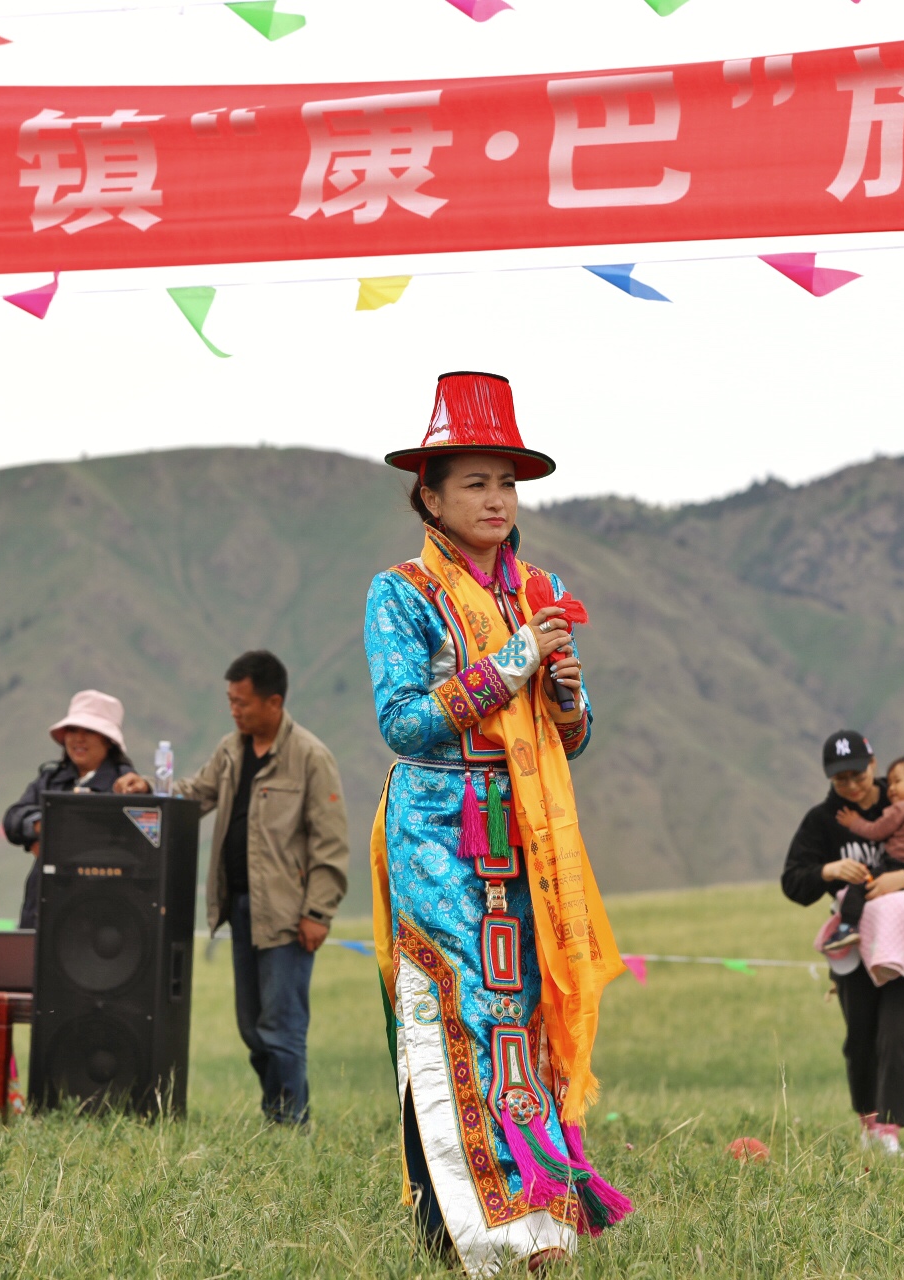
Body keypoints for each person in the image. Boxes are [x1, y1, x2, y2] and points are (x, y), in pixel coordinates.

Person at [363, 372, 632, 1274]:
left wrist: (565, 696)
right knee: (457, 1009)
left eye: (506, 482)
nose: (496, 499)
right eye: (473, 481)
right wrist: (518, 660)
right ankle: (472, 1231)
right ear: (429, 497)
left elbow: (574, 736)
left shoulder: (536, 589)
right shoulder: (399, 594)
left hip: (527, 832)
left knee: (523, 1010)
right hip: (440, 824)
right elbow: (402, 720)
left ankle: (539, 1222)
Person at [172, 652, 348, 1126]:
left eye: (242, 702)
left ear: (274, 702)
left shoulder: (310, 757)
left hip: (290, 915)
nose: (234, 710)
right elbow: (197, 794)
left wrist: (319, 912)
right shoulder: (231, 751)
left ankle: (290, 1123)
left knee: (282, 1026)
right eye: (230, 701)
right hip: (241, 907)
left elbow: (330, 843)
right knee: (252, 1027)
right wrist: (149, 791)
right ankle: (281, 1113)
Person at [781, 730, 904, 1158]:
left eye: (857, 773)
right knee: (860, 1037)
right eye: (839, 778)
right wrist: (828, 871)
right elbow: (793, 881)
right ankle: (867, 1123)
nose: (851, 784)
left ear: (874, 764)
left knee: (898, 1034)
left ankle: (889, 1130)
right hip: (855, 945)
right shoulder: (822, 822)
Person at [2, 690, 151, 929]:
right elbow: (13, 819)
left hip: (101, 906)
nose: (78, 739)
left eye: (89, 731)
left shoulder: (125, 786)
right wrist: (43, 825)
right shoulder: (50, 779)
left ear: (107, 740)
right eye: (73, 730)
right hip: (44, 901)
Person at [820, 754, 904, 957]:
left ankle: (847, 927)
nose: (890, 787)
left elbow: (877, 831)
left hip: (897, 863)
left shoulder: (899, 809)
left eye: (897, 781)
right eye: (890, 782)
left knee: (859, 886)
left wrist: (854, 823)